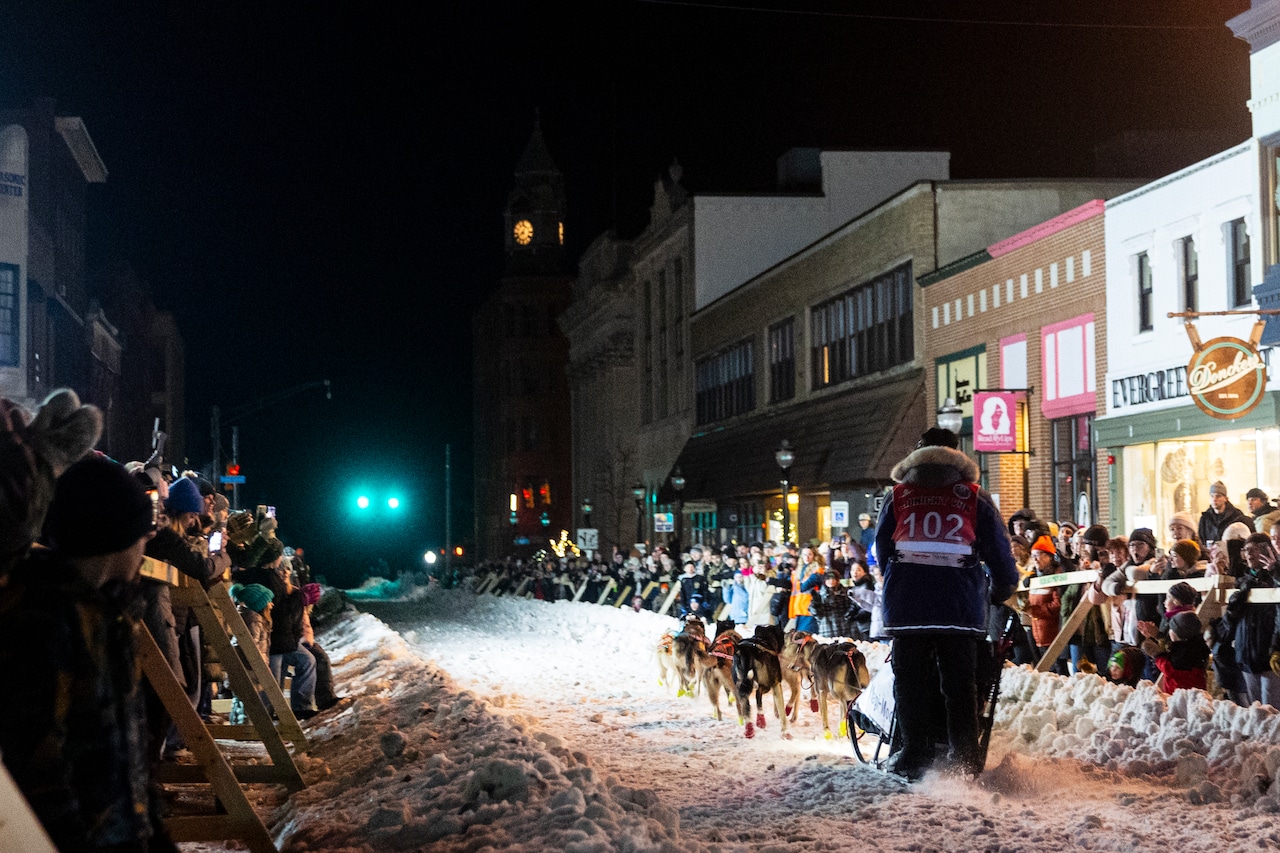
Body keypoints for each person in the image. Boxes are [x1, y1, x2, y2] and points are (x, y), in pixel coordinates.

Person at [0, 455, 177, 852]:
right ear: (113, 535)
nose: (147, 539)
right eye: (141, 529)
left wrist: (150, 832)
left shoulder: (107, 614)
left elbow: (125, 749)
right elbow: (41, 764)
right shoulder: (45, 620)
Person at [875, 427, 1018, 780]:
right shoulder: (974, 497)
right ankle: (965, 755)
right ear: (957, 454)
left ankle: (914, 751)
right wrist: (1001, 588)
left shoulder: (899, 496)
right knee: (959, 682)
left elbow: (882, 548)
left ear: (917, 453)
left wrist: (897, 579)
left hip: (908, 604)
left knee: (910, 680)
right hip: (959, 605)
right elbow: (999, 550)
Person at [1141, 611, 1209, 693]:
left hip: (1181, 694)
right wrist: (1158, 635)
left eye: (1171, 629)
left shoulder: (1184, 654)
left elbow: (1170, 669)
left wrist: (1157, 655)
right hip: (1192, 690)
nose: (1169, 631)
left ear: (1179, 634)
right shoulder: (1193, 644)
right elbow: (1170, 647)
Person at [809, 569, 862, 639]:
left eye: (833, 578)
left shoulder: (847, 592)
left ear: (837, 580)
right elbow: (817, 614)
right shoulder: (819, 595)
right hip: (827, 630)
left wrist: (850, 614)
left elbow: (855, 606)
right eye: (828, 579)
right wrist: (815, 603)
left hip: (848, 629)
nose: (831, 581)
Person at [1199, 481, 1249, 547]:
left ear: (1225, 499)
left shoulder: (1236, 515)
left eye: (1218, 496)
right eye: (1212, 496)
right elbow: (1202, 539)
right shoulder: (1205, 518)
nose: (1214, 499)